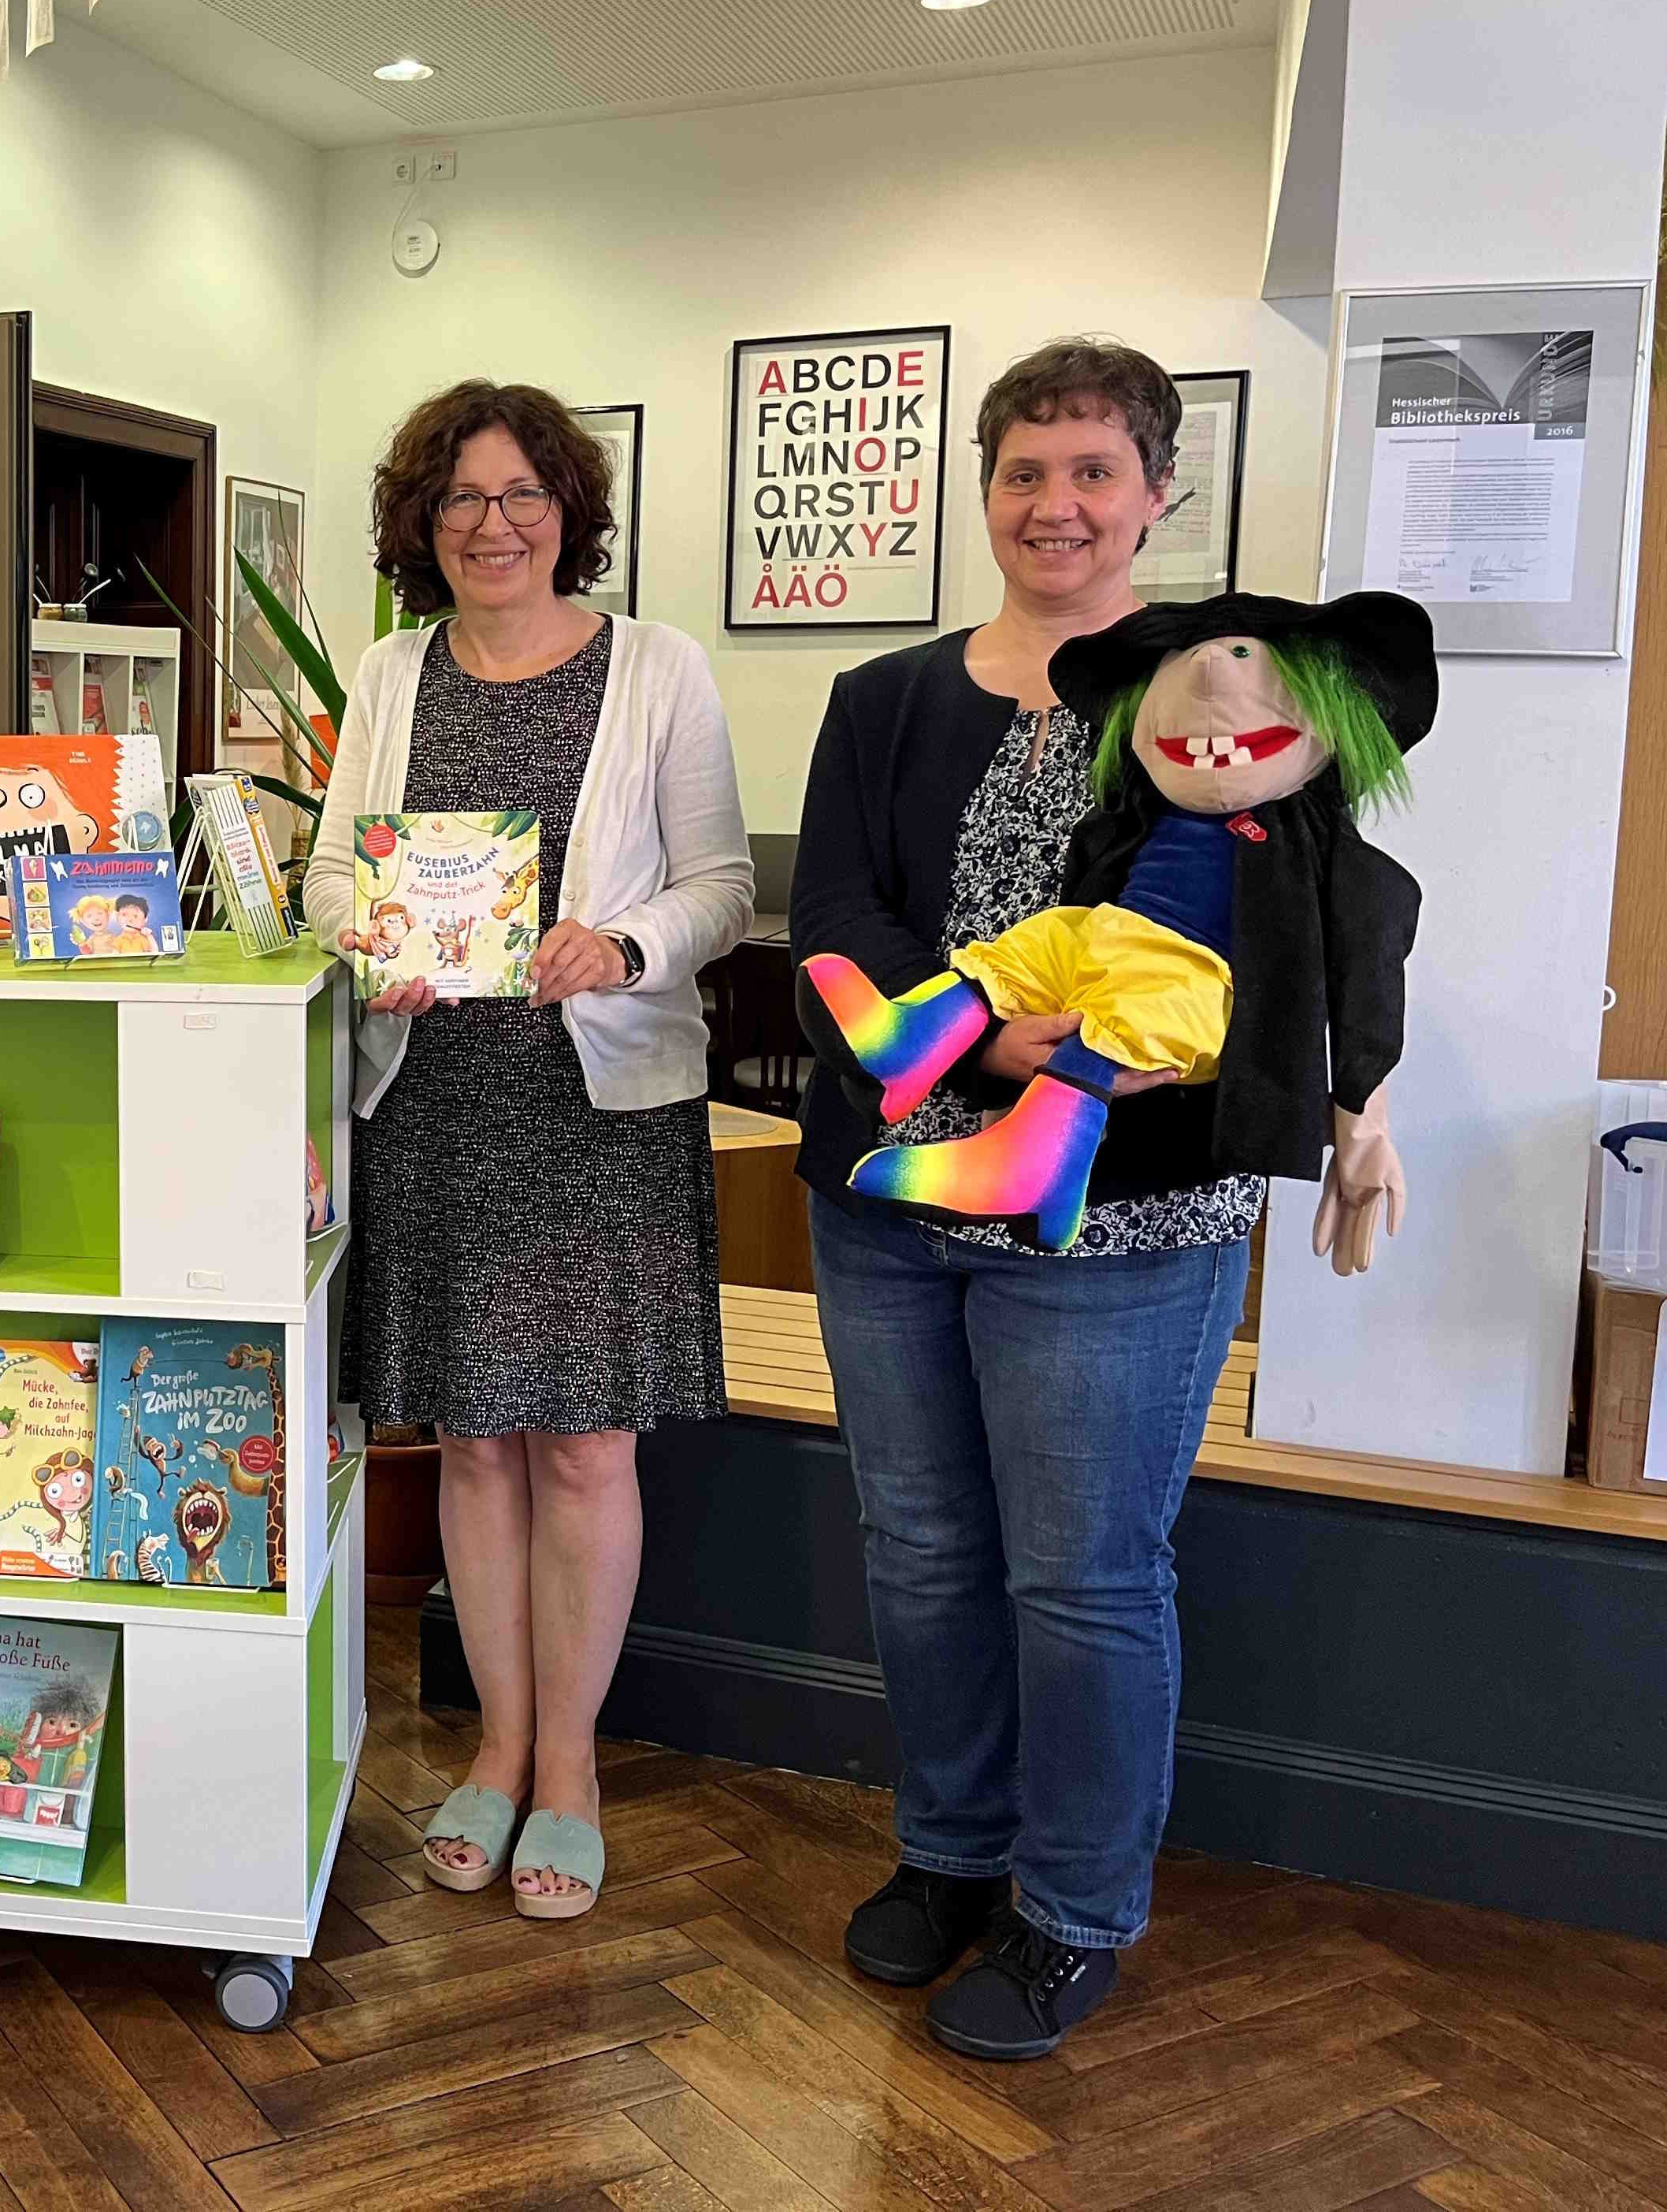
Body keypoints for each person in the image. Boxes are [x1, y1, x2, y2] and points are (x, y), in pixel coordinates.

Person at [790, 338, 1253, 2061]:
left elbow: (1240, 951)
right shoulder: (882, 700)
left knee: (1081, 1577)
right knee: (918, 1556)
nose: (1053, 505)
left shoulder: (1218, 696)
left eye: (1090, 472)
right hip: (893, 1202)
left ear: (1152, 493)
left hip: (1119, 1225)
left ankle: (1069, 1912)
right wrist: (1000, 1055)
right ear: (978, 491)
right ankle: (950, 1851)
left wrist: (1058, 1044)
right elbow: (833, 925)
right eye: (1021, 472)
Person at [305, 379, 754, 1921]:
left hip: (596, 1107)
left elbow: (719, 884)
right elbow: (321, 880)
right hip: (430, 1100)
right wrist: (375, 938)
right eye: (458, 502)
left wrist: (622, 945)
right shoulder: (386, 672)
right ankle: (491, 1749)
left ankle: (568, 1765)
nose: (492, 526)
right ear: (417, 526)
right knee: (475, 1442)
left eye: (520, 496)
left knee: (580, 1443)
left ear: (567, 509)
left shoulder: (657, 670)